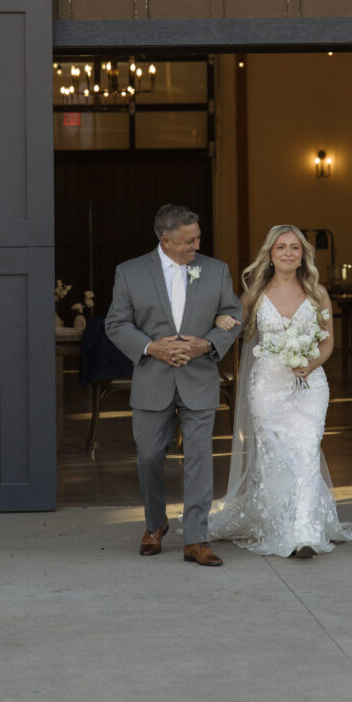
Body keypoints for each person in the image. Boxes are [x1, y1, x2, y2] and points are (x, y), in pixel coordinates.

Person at [209, 224, 352, 558]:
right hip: (267, 387)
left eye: (295, 247)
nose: (289, 253)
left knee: (307, 450)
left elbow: (328, 341)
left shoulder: (318, 292)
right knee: (275, 456)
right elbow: (232, 322)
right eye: (281, 247)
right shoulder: (255, 294)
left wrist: (312, 364)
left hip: (310, 384)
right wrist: (221, 320)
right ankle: (278, 524)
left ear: (304, 254)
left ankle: (304, 534)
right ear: (270, 254)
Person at [105, 204, 242, 567]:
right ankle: (155, 523)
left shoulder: (215, 270)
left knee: (199, 458)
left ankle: (197, 538)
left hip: (199, 378)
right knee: (149, 455)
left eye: (198, 237)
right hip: (152, 378)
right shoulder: (130, 272)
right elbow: (116, 324)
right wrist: (152, 348)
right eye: (189, 240)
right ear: (165, 240)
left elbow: (234, 315)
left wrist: (207, 344)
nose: (197, 245)